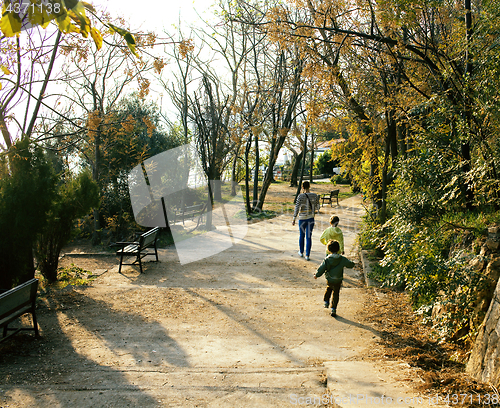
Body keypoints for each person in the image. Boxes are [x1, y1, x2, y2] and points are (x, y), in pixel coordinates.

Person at [314, 240, 355, 317]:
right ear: (338, 249)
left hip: (330, 278)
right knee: (336, 293)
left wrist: (316, 275)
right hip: (338, 279)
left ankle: (326, 301)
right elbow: (350, 264)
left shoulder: (327, 259)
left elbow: (321, 268)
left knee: (329, 288)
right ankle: (333, 309)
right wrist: (353, 263)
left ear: (329, 250)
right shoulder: (342, 259)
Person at [292, 181, 319, 261]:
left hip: (302, 219)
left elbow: (297, 208)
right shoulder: (314, 196)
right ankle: (307, 255)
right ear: (309, 186)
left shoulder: (300, 196)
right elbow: (318, 206)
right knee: (308, 237)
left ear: (302, 187)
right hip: (311, 218)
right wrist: (313, 210)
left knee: (302, 235)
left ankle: (301, 252)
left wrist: (294, 218)